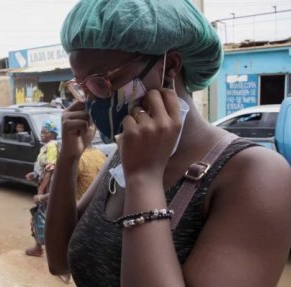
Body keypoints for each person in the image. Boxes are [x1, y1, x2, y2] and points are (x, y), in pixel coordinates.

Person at [45, 1, 291, 287]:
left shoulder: (256, 174)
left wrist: (144, 179)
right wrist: (68, 159)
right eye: (82, 86)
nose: (91, 100)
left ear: (170, 66)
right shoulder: (122, 158)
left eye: (101, 81)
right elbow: (59, 261)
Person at [24, 119, 59, 257]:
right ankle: (40, 246)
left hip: (47, 188)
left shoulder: (51, 146)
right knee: (42, 216)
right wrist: (34, 174)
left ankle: (40, 247)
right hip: (45, 185)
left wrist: (41, 192)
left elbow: (50, 169)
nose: (42, 134)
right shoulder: (47, 146)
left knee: (39, 216)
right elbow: (44, 168)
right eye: (42, 132)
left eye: (46, 132)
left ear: (53, 134)